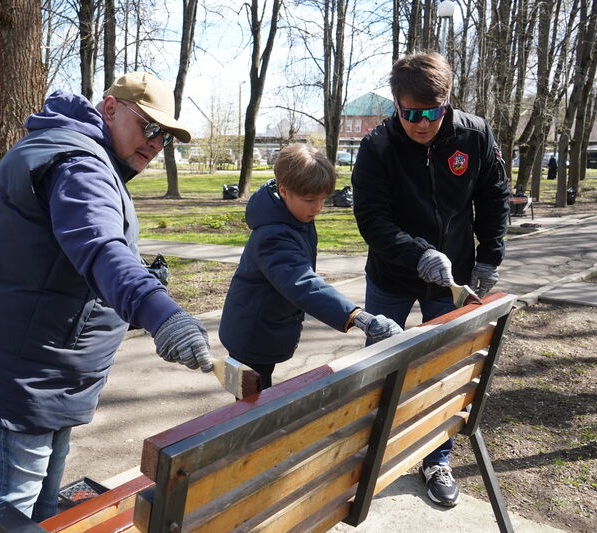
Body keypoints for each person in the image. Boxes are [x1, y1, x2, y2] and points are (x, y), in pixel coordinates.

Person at [0, 72, 214, 533]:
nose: (156, 144)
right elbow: (99, 249)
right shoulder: (81, 163)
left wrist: (136, 284)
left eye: (166, 137)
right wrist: (160, 312)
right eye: (150, 127)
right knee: (9, 509)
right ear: (109, 108)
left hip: (40, 368)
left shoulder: (78, 153)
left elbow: (60, 258)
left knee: (41, 507)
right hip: (22, 374)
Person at [351, 52, 510, 508]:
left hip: (454, 278)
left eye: (432, 112)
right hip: (392, 275)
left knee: (444, 369)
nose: (422, 123)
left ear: (447, 102)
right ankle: (369, 452)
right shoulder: (378, 144)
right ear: (396, 105)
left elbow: (494, 196)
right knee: (380, 366)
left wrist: (488, 258)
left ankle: (436, 458)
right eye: (410, 113)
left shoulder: (475, 134)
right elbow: (371, 219)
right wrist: (419, 253)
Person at [218, 143, 403, 390]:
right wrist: (357, 316)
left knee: (260, 395)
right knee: (251, 400)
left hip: (270, 325)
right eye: (310, 200)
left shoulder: (293, 214)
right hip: (252, 331)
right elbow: (302, 282)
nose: (317, 207)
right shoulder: (273, 234)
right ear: (284, 190)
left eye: (323, 199)